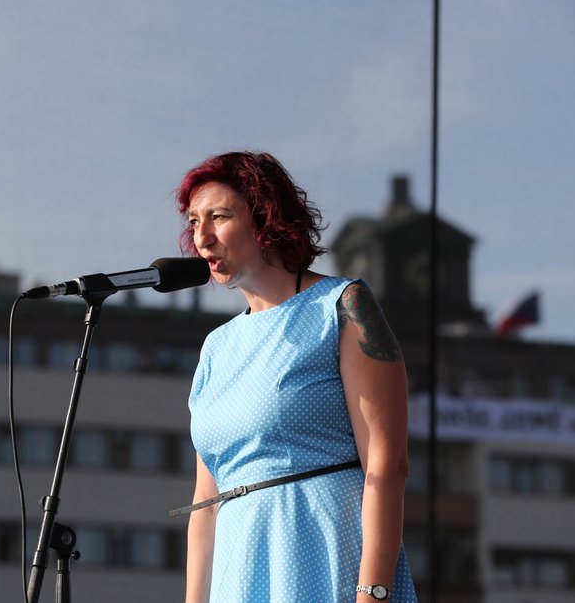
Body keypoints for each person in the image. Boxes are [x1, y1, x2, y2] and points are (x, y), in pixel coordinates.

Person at [172, 151, 417, 602]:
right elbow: (206, 504)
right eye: (193, 222)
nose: (201, 237)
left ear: (265, 218)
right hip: (240, 569)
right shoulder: (216, 348)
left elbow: (387, 463)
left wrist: (374, 593)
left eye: (219, 217)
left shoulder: (342, 305)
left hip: (326, 558)